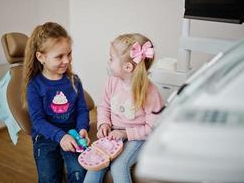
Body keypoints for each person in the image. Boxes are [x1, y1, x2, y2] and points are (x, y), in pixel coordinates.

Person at [84, 33, 164, 183]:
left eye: (111, 59)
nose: (108, 62)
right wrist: (104, 124)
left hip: (139, 138)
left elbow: (154, 127)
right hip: (114, 134)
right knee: (95, 163)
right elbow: (104, 106)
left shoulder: (149, 92)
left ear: (127, 67)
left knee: (119, 166)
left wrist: (126, 133)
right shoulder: (111, 82)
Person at [21, 22, 90, 183]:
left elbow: (82, 110)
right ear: (41, 57)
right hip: (45, 138)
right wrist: (60, 137)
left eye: (69, 54)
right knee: (49, 178)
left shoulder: (74, 80)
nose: (66, 60)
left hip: (72, 133)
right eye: (59, 56)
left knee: (79, 174)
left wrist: (82, 129)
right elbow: (38, 122)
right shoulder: (35, 86)